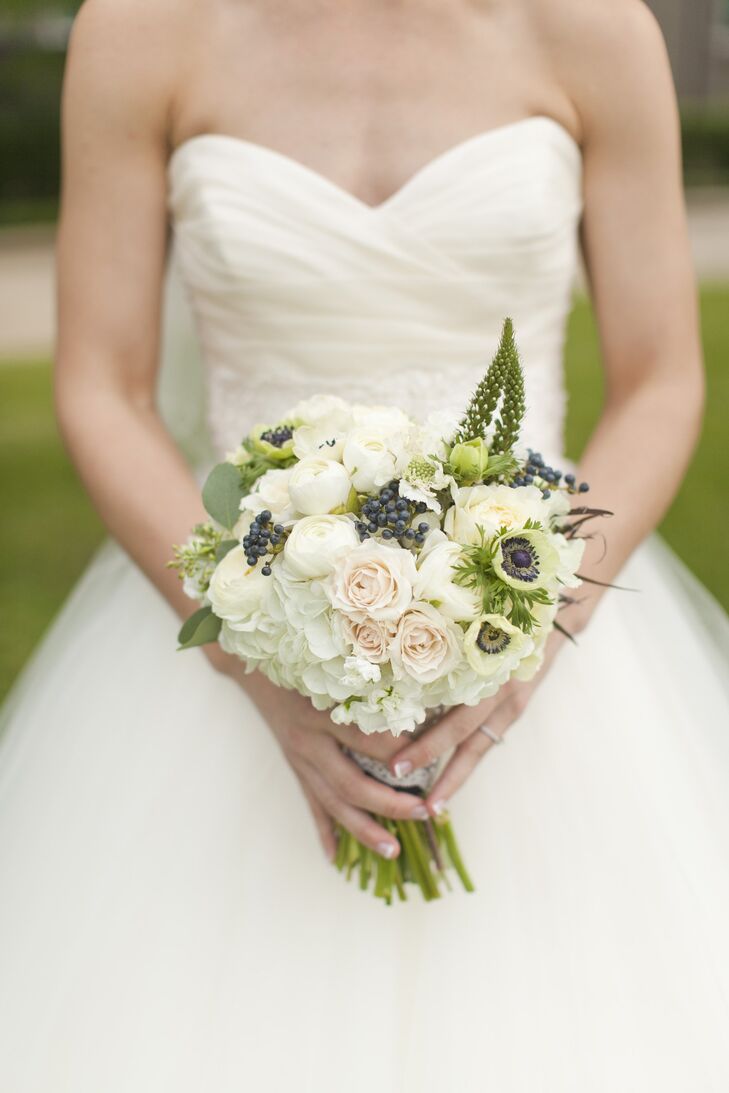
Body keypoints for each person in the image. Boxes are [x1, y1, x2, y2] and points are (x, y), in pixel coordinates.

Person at [1, 1, 728, 1089]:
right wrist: (253, 654)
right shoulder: (141, 29)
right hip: (223, 646)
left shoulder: (593, 28)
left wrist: (528, 631)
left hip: (542, 646)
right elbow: (102, 386)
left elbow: (663, 376)